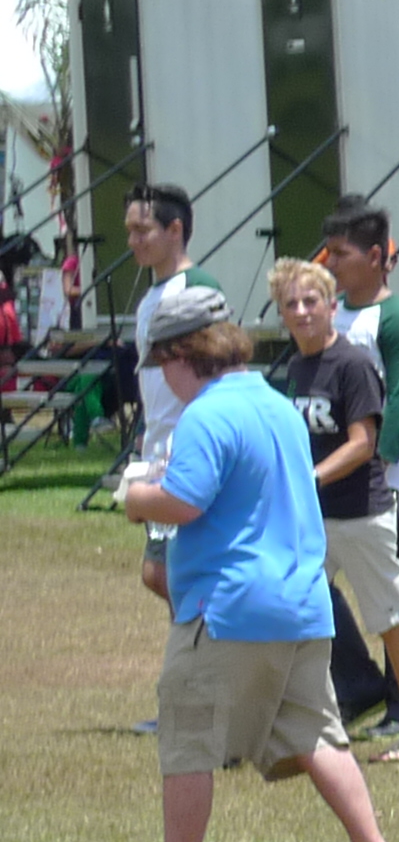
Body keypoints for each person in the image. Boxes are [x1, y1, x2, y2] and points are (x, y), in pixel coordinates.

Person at [98, 283, 399, 842]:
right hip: (303, 603)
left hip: (230, 606)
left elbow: (183, 501)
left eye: (164, 366)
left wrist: (133, 497)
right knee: (318, 735)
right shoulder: (273, 404)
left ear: (187, 356)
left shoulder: (207, 414)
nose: (164, 381)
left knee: (186, 728)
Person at [266, 257, 399, 765]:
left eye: (311, 301)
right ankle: (304, 725)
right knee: (290, 615)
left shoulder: (352, 364)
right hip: (312, 518)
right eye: (291, 304)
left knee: (390, 620)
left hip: (361, 514)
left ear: (330, 305)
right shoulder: (297, 367)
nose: (302, 312)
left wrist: (312, 477)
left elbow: (363, 442)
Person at [316, 197, 399, 759]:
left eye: (341, 254)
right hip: (336, 485)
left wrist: (375, 467)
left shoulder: (398, 321)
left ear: (374, 256)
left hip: (389, 483)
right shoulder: (330, 315)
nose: (331, 263)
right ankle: (358, 681)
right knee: (313, 584)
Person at [124, 184, 220, 605]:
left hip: (190, 448)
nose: (132, 241)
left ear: (175, 229)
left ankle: (214, 649)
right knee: (160, 572)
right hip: (159, 449)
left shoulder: (197, 289)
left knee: (174, 570)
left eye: (142, 230)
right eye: (129, 231)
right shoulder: (151, 297)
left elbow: (214, 371)